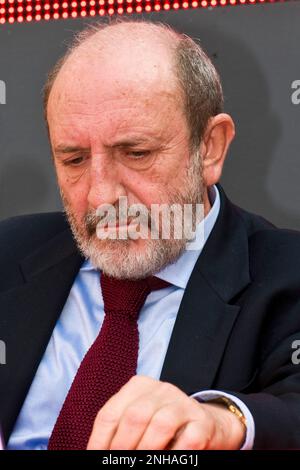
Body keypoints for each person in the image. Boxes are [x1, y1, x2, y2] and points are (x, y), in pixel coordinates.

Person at [0, 19, 300, 451]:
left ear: (210, 147)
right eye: (74, 159)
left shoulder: (287, 275)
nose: (101, 195)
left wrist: (222, 420)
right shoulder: (8, 256)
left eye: (136, 153)